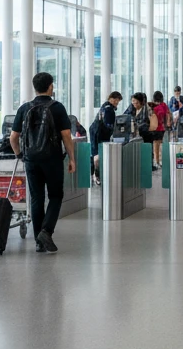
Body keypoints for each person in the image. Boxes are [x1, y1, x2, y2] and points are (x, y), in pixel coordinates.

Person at [10, 71, 76, 254]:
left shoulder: (24, 108)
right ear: (50, 86)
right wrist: (72, 158)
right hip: (52, 159)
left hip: (31, 160)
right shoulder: (57, 108)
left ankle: (39, 242)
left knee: (37, 198)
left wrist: (20, 155)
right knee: (55, 196)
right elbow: (66, 136)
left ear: (35, 88)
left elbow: (13, 137)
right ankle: (46, 231)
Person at [89, 90, 122, 185]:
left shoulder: (106, 106)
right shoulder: (108, 109)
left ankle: (92, 175)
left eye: (118, 100)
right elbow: (108, 124)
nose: (116, 102)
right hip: (100, 133)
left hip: (96, 131)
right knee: (98, 154)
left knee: (95, 153)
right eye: (115, 99)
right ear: (110, 98)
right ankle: (97, 176)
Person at [149, 90, 171, 170]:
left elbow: (167, 113)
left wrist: (168, 121)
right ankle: (157, 161)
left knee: (157, 144)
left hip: (159, 127)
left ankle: (157, 161)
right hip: (158, 127)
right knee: (156, 144)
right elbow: (167, 113)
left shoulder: (156, 105)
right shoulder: (161, 105)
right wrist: (168, 121)